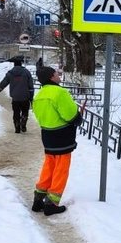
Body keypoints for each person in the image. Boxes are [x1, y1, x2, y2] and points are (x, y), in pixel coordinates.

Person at [30, 66, 82, 216]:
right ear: (51, 77)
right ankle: (52, 203)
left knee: (49, 166)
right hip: (62, 137)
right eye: (56, 74)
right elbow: (70, 115)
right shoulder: (59, 92)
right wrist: (78, 118)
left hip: (47, 135)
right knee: (61, 169)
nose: (59, 75)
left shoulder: (39, 95)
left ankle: (38, 198)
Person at [0, 55, 35, 133]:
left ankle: (17, 127)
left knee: (16, 113)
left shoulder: (10, 73)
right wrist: (31, 97)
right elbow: (31, 86)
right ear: (21, 64)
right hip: (25, 97)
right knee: (25, 112)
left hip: (15, 98)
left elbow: (4, 83)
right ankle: (23, 123)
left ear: (14, 64)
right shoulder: (26, 72)